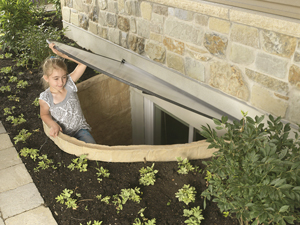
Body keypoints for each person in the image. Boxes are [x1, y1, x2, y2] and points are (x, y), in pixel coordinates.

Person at [39, 43, 96, 144]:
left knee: (92, 149)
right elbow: (44, 114)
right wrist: (53, 124)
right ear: (46, 78)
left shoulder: (69, 84)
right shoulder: (46, 98)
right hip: (63, 134)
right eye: (56, 79)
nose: (61, 82)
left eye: (64, 77)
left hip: (80, 130)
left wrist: (62, 55)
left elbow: (83, 63)